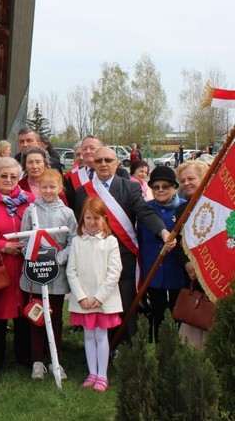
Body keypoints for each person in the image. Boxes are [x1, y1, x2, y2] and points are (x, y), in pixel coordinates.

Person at [75, 146, 170, 343]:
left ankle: (129, 348)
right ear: (92, 163)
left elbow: (145, 212)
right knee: (100, 305)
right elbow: (79, 223)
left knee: (127, 303)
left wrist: (162, 231)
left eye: (108, 160)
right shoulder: (83, 192)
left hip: (123, 256)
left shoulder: (130, 187)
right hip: (94, 259)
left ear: (117, 163)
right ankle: (105, 347)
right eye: (99, 160)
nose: (103, 164)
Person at [20, 169, 77, 381]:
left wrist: (59, 258)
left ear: (60, 188)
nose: (48, 190)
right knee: (37, 317)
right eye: (44, 187)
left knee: (55, 318)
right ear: (39, 188)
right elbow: (25, 240)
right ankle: (37, 362)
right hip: (35, 272)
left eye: (53, 187)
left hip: (57, 273)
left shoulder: (68, 213)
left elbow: (73, 240)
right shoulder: (31, 210)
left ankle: (56, 361)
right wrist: (32, 256)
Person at [67, 197, 122, 393]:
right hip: (84, 301)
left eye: (96, 218)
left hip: (102, 300)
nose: (92, 222)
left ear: (104, 219)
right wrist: (81, 296)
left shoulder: (110, 242)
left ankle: (103, 375)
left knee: (101, 336)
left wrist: (99, 297)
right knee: (88, 335)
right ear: (83, 219)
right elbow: (71, 272)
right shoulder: (77, 242)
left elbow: (114, 272)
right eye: (88, 218)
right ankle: (92, 372)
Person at [0, 157, 34, 371]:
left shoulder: (29, 200)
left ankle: (25, 356)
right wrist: (3, 245)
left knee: (25, 312)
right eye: (4, 175)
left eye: (14, 176)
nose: (9, 180)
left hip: (24, 266)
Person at [137, 166, 187, 342]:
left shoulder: (185, 208)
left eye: (165, 186)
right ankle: (159, 351)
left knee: (177, 313)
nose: (160, 190)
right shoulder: (145, 209)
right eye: (156, 187)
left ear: (174, 187)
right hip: (153, 270)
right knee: (157, 312)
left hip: (177, 271)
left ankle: (177, 350)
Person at [173, 160, 210, 347]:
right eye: (182, 180)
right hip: (194, 280)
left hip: (216, 276)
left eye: (191, 178)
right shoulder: (182, 210)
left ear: (204, 178)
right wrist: (187, 263)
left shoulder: (219, 207)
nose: (186, 183)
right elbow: (179, 244)